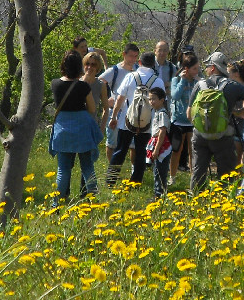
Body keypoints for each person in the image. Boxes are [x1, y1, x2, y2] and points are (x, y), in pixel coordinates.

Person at [188, 52, 244, 190]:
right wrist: (239, 112)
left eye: (208, 65)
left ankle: (195, 203)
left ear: (213, 68)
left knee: (198, 172)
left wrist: (203, 123)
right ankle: (223, 203)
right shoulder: (233, 85)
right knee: (226, 174)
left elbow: (188, 114)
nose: (206, 68)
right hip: (223, 136)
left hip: (200, 137)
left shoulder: (200, 84)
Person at [49, 50, 102, 205]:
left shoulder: (55, 84)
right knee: (87, 167)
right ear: (79, 66)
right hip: (82, 129)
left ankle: (56, 204)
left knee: (63, 170)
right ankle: (94, 200)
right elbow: (92, 109)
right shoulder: (83, 86)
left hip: (62, 129)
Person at [106, 51, 165, 187]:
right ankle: (136, 182)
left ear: (139, 63)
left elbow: (120, 98)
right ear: (153, 64)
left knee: (120, 150)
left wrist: (114, 116)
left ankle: (111, 181)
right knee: (141, 152)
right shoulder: (158, 81)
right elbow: (162, 102)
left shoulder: (130, 76)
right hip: (147, 123)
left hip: (127, 121)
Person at [99, 43, 139, 161]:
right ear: (124, 55)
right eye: (131, 56)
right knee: (112, 143)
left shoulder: (138, 70)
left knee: (133, 145)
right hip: (116, 112)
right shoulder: (114, 70)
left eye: (136, 56)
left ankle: (133, 172)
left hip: (133, 112)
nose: (133, 59)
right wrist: (105, 100)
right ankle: (112, 171)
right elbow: (98, 82)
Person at [168, 52, 199, 185]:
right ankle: (172, 177)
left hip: (192, 121)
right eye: (195, 68)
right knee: (177, 150)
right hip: (178, 120)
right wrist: (183, 81)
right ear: (186, 69)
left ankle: (194, 178)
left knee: (193, 151)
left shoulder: (198, 82)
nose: (197, 71)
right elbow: (175, 96)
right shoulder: (176, 80)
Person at [146, 87, 173, 199]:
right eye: (150, 99)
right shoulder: (157, 112)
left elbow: (162, 131)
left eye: (154, 99)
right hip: (157, 144)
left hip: (162, 146)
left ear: (162, 100)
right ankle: (159, 193)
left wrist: (157, 149)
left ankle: (159, 194)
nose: (151, 101)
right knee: (157, 169)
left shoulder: (162, 113)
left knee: (159, 171)